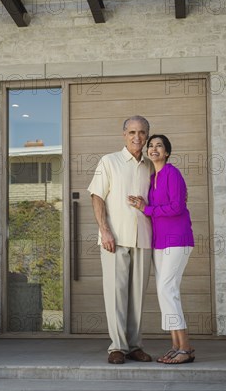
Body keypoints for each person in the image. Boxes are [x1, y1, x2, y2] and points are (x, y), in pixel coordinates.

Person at [87, 115, 154, 365]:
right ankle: (117, 346)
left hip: (145, 238)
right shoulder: (109, 161)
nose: (137, 137)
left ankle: (135, 345)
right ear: (124, 134)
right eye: (132, 132)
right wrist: (104, 230)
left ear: (147, 135)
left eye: (142, 133)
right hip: (115, 238)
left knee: (137, 296)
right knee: (116, 294)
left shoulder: (150, 165)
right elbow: (96, 196)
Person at [128, 134, 196, 364]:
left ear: (167, 152)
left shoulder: (172, 173)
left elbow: (177, 207)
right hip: (160, 242)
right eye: (151, 146)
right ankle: (177, 346)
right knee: (165, 292)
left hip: (177, 239)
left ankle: (185, 348)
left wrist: (147, 209)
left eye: (159, 146)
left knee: (168, 290)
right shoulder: (152, 177)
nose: (154, 148)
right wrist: (141, 204)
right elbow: (155, 207)